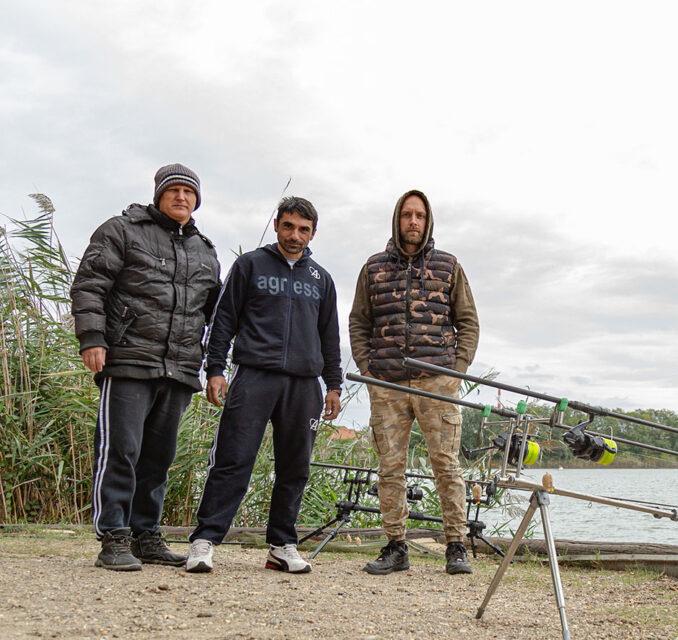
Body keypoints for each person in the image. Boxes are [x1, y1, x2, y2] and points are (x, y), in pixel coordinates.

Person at [70, 163, 222, 570]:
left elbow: (216, 315)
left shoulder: (205, 250)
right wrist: (93, 338)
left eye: (189, 192)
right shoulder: (122, 230)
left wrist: (214, 369)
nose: (181, 197)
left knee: (158, 456)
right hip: (128, 359)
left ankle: (145, 534)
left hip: (179, 367)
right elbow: (89, 284)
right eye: (173, 190)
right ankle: (113, 536)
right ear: (158, 194)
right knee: (121, 449)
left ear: (197, 200)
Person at [184, 196, 342, 574]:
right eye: (288, 226)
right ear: (276, 225)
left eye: (303, 229)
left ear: (313, 233)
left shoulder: (321, 278)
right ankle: (204, 541)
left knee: (295, 467)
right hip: (254, 375)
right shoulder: (250, 265)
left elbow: (329, 336)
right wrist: (216, 369)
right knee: (234, 460)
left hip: (304, 386)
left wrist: (333, 384)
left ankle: (282, 544)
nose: (295, 235)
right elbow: (223, 321)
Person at [350, 189, 479, 575]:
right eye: (407, 215)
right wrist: (367, 369)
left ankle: (456, 546)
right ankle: (395, 547)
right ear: (397, 219)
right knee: (390, 466)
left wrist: (456, 369)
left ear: (428, 221)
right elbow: (359, 320)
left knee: (446, 464)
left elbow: (468, 321)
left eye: (419, 216)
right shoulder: (373, 268)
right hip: (387, 383)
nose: (413, 222)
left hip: (437, 380)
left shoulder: (449, 266)